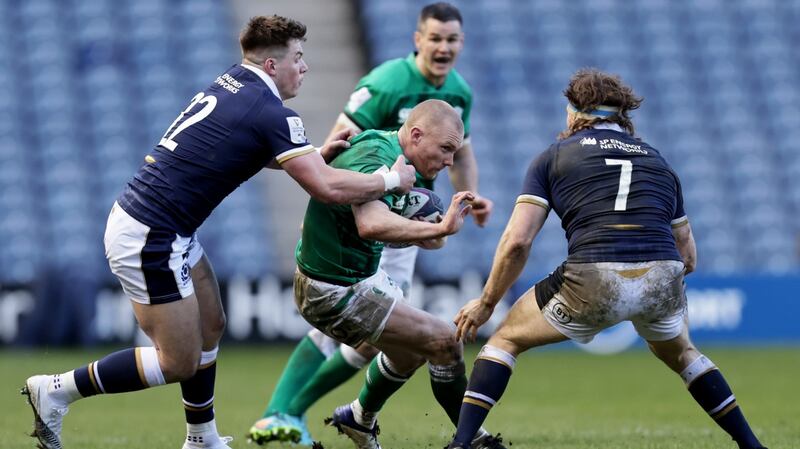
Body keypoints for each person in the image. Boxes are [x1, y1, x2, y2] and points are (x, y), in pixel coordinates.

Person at [20, 15, 416, 449]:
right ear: (270, 65)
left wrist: (310, 154)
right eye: (297, 58)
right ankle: (57, 389)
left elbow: (241, 146)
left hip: (163, 226)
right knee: (178, 361)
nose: (304, 67)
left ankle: (202, 438)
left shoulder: (232, 82)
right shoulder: (272, 112)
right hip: (151, 235)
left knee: (212, 322)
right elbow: (325, 187)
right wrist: (390, 181)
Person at [445, 69, 768, 449]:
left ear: (574, 113)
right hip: (663, 274)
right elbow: (688, 255)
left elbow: (517, 241)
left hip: (593, 276)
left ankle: (462, 443)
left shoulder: (554, 157)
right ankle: (751, 444)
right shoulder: (658, 161)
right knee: (683, 352)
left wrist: (486, 303)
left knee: (504, 339)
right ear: (621, 115)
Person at [247, 3, 494, 445]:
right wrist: (329, 194)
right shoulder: (385, 85)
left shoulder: (458, 94)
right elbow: (344, 149)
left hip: (385, 216)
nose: (443, 47)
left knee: (399, 348)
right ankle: (283, 411)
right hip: (355, 245)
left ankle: (357, 418)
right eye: (435, 38)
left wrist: (468, 197)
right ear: (418, 39)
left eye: (452, 40)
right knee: (436, 340)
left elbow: (463, 152)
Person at [287, 99, 501, 449]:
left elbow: (405, 231)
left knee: (411, 352)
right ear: (416, 134)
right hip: (334, 288)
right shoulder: (377, 155)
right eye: (445, 149)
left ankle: (358, 418)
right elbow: (371, 224)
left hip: (354, 278)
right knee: (445, 341)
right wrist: (440, 229)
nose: (449, 161)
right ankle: (471, 440)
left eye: (454, 151)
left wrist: (432, 229)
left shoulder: (401, 160)